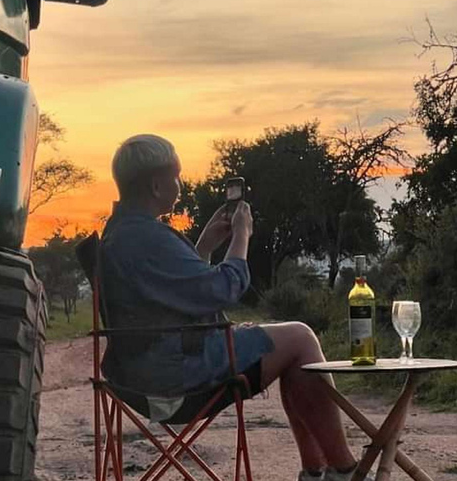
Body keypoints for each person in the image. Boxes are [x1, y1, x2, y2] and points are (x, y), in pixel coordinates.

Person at [100, 134, 367, 481]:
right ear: (155, 185)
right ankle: (343, 470)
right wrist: (242, 236)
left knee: (289, 345)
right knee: (300, 339)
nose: (179, 184)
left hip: (138, 373)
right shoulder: (149, 238)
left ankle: (317, 472)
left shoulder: (121, 233)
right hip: (175, 376)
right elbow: (223, 290)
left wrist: (205, 246)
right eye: (176, 176)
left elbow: (174, 293)